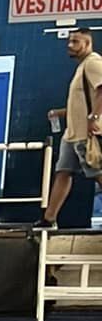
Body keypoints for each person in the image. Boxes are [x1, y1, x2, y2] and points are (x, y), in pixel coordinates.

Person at [37, 26, 102, 233]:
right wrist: (60, 113)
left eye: (75, 42)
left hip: (86, 134)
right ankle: (49, 218)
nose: (70, 45)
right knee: (63, 172)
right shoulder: (81, 68)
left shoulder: (93, 63)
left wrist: (94, 118)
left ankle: (49, 218)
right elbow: (81, 104)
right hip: (71, 134)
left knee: (97, 173)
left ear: (88, 43)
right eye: (69, 41)